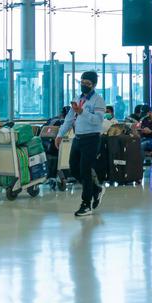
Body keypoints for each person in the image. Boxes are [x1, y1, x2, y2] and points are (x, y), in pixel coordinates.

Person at [58, 71, 106, 217]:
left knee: (85, 171)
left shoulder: (98, 100)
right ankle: (96, 189)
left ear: (94, 85)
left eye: (88, 83)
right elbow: (69, 119)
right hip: (77, 138)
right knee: (73, 169)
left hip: (92, 139)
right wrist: (60, 134)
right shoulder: (77, 99)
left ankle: (86, 204)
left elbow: (98, 120)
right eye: (82, 82)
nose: (84, 85)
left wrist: (82, 112)